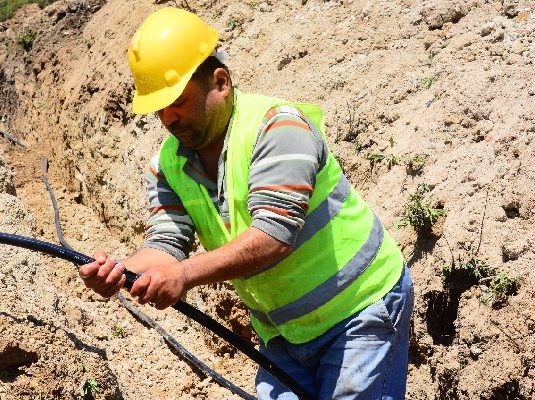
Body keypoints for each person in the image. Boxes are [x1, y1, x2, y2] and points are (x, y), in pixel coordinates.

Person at [79, 7, 414, 400]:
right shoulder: (167, 165)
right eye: (159, 108)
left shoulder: (278, 127)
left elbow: (274, 236)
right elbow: (166, 244)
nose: (169, 118)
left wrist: (183, 276)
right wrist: (123, 272)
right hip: (285, 334)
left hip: (359, 309)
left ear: (220, 82)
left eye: (179, 102)